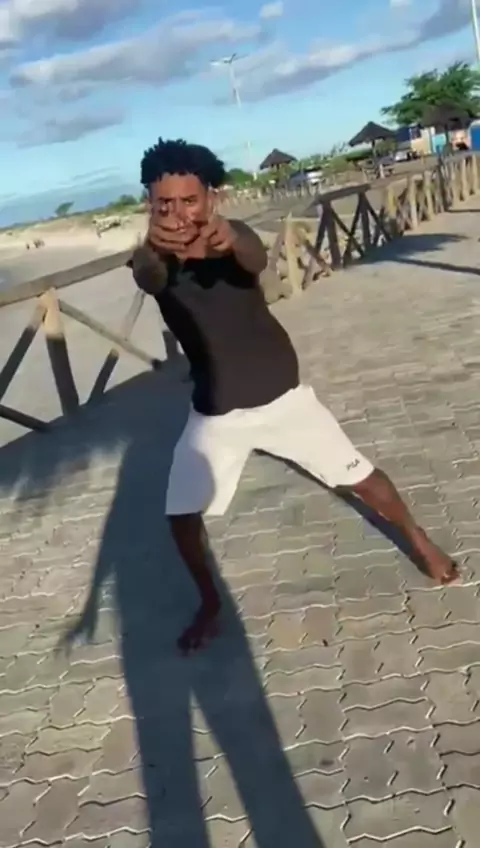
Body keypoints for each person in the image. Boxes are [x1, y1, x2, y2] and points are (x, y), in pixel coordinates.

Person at [130, 137, 458, 655]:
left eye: (189, 200)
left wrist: (224, 236)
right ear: (149, 204)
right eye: (163, 203)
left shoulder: (230, 237)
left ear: (212, 197)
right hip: (216, 413)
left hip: (282, 397)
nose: (177, 213)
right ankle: (210, 602)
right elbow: (148, 277)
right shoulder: (151, 258)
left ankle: (420, 541)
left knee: (362, 478)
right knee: (180, 517)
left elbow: (251, 254)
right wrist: (152, 250)